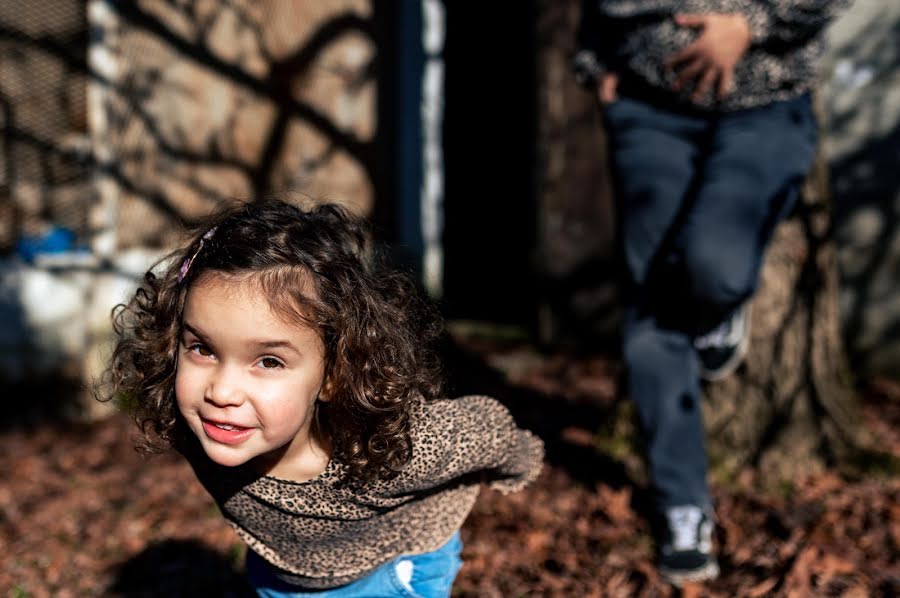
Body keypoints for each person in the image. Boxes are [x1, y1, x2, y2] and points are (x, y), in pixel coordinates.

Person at [100, 199, 544, 597]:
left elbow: (485, 427)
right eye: (203, 349)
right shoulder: (195, 425)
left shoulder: (397, 448)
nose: (221, 391)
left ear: (334, 374)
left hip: (397, 563)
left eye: (269, 362)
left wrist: (518, 459)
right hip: (285, 572)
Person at [573, 0, 848, 586]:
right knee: (652, 312)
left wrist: (751, 25)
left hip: (763, 104)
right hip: (647, 109)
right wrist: (595, 64)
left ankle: (721, 304)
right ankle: (682, 504)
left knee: (713, 267)